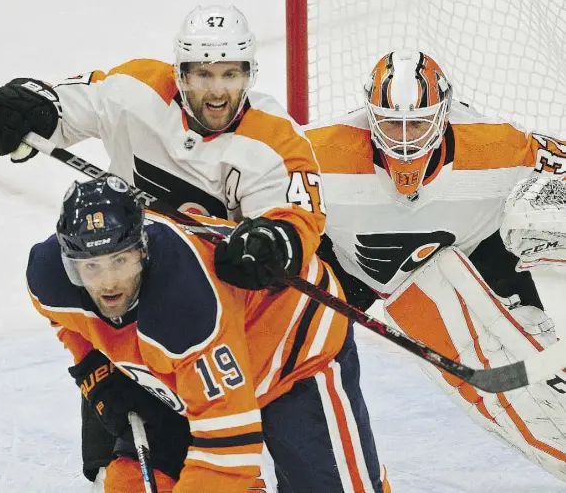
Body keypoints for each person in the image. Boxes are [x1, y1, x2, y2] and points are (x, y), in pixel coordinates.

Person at [0, 4, 328, 482]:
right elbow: (63, 109)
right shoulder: (135, 91)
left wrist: (271, 241)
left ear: (250, 73)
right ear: (179, 73)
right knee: (121, 474)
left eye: (230, 73)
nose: (217, 89)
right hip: (135, 301)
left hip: (247, 326)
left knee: (294, 474)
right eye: (203, 74)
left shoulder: (274, 141)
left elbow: (294, 219)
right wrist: (32, 110)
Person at [26, 175, 390, 492]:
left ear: (142, 251)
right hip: (187, 368)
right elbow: (65, 322)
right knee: (130, 484)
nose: (107, 283)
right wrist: (98, 373)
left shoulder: (184, 305)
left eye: (119, 261)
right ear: (69, 265)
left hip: (291, 348)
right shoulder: (47, 276)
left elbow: (231, 450)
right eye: (91, 267)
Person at [305, 50, 566, 482]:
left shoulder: (498, 145)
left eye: (419, 123)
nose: (404, 140)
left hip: (474, 258)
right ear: (369, 116)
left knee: (541, 387)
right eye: (391, 123)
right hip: (347, 266)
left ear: (445, 115)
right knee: (278, 355)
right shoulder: (316, 150)